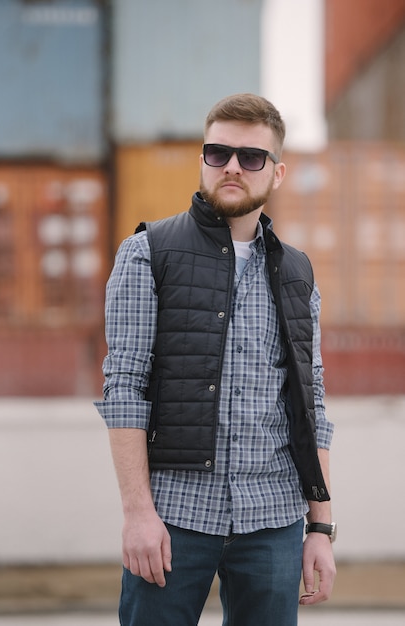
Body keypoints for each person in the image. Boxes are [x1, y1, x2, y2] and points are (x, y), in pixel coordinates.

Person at [95, 93, 336, 626]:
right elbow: (124, 389)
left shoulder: (298, 272)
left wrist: (319, 527)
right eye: (218, 152)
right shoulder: (147, 253)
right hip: (174, 518)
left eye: (251, 157)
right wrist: (138, 515)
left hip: (273, 522)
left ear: (277, 173)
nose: (232, 166)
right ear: (202, 159)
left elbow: (311, 404)